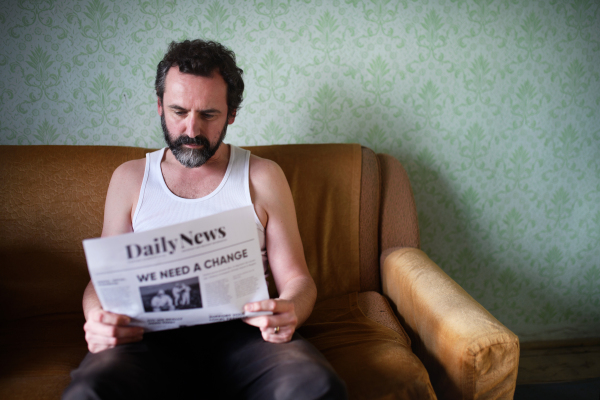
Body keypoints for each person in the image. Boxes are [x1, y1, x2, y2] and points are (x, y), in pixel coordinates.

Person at [62, 39, 347, 400]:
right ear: (159, 107)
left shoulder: (263, 176)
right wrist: (95, 318)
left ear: (231, 113)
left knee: (315, 387)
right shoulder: (130, 178)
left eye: (208, 115)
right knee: (90, 390)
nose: (192, 129)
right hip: (148, 337)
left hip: (244, 335)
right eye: (178, 111)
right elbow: (101, 282)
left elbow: (298, 279)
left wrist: (289, 309)